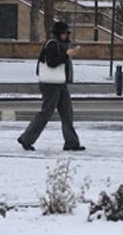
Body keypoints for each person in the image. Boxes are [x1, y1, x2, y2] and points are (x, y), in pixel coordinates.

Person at [18, 21, 84, 152]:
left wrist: (67, 54)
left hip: (60, 83)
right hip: (51, 85)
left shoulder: (59, 44)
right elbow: (52, 63)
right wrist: (67, 55)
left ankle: (71, 143)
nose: (66, 36)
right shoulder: (52, 44)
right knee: (46, 113)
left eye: (67, 33)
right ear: (59, 33)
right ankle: (26, 139)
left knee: (67, 113)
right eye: (64, 33)